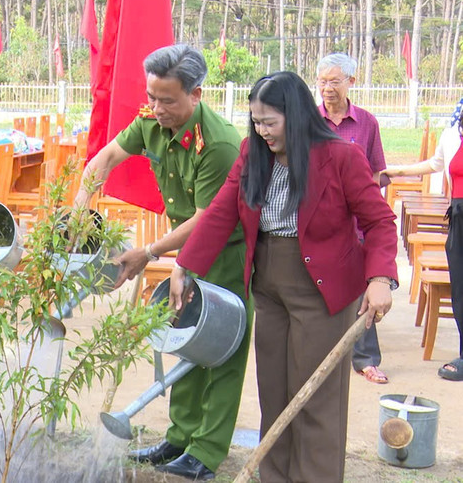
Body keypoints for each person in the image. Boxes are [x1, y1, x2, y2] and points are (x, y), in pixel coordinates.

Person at [170, 71, 398, 482]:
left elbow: (380, 222)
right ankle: (274, 476)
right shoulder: (251, 153)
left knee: (315, 396)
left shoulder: (341, 157)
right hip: (269, 285)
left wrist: (380, 278)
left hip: (323, 289)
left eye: (269, 122)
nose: (261, 131)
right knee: (274, 393)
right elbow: (222, 211)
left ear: (295, 116)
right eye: (255, 122)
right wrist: (185, 266)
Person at [73, 44, 252, 481]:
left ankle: (206, 451)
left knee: (220, 347)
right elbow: (108, 157)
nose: (156, 108)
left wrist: (150, 254)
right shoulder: (150, 119)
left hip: (225, 251)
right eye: (152, 96)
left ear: (197, 94)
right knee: (184, 337)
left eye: (167, 100)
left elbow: (207, 218)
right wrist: (81, 201)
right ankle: (180, 435)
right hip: (184, 246)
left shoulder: (221, 143)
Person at [316, 53, 390, 385]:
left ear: (351, 82)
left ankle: (365, 358)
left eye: (335, 81)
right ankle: (321, 354)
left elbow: (375, 174)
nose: (328, 88)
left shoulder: (367, 123)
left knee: (364, 288)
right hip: (319, 222)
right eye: (322, 81)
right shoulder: (309, 122)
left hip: (356, 221)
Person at [384, 96, 463, 381]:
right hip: (459, 215)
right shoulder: (453, 132)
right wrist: (396, 171)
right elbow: (435, 164)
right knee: (460, 289)